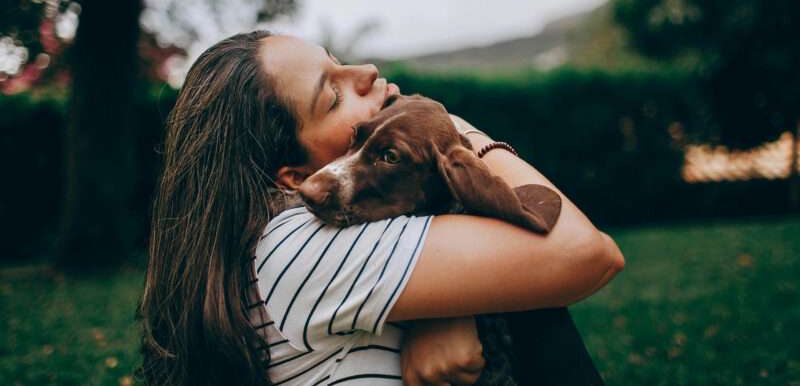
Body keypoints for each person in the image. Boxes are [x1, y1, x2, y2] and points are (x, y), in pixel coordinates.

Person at [136, 30, 624, 386]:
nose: (366, 72)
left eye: (337, 59)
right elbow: (588, 253)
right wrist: (461, 134)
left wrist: (456, 307)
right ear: (295, 180)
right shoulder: (292, 245)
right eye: (333, 95)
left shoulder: (355, 223)